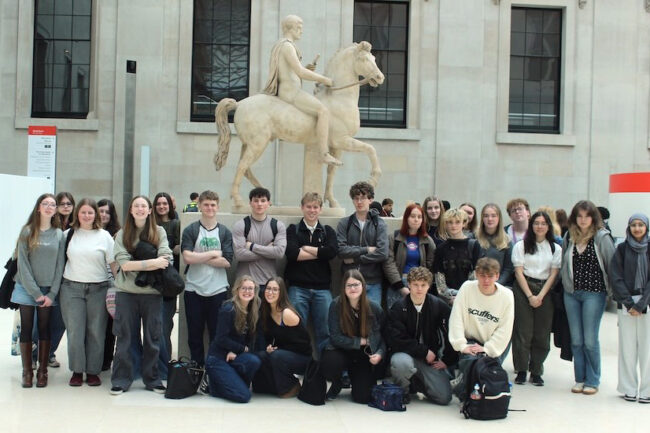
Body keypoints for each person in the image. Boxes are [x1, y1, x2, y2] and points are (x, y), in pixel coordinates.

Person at [110, 196, 172, 395]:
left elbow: (166, 258)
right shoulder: (122, 233)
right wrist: (151, 263)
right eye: (136, 205)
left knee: (153, 338)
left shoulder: (159, 231)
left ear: (150, 210)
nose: (139, 209)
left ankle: (152, 379)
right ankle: (121, 379)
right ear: (130, 210)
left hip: (152, 294)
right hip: (126, 293)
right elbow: (124, 264)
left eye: (143, 206)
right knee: (125, 338)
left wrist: (137, 264)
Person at [262, 14, 338, 166]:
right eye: (299, 28)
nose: (301, 31)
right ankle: (324, 153)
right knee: (323, 111)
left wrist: (308, 69)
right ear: (290, 28)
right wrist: (324, 79)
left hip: (290, 89)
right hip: (291, 92)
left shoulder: (283, 45)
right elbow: (299, 72)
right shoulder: (287, 46)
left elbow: (296, 70)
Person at [558, 200, 615, 395]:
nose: (583, 220)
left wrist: (614, 294)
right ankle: (580, 378)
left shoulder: (602, 237)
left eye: (587, 216)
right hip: (572, 294)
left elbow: (611, 265)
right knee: (576, 340)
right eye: (579, 216)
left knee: (590, 339)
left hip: (594, 294)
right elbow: (564, 263)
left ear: (593, 217)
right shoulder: (569, 236)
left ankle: (593, 379)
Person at [60, 198, 116, 387]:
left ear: (96, 215)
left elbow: (113, 263)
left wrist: (119, 286)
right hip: (71, 289)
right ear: (77, 214)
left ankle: (93, 371)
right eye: (83, 212)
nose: (86, 216)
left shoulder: (105, 236)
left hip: (98, 289)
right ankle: (77, 370)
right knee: (75, 332)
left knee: (96, 331)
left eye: (90, 212)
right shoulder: (68, 234)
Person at [12, 194, 65, 388]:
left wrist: (51, 294)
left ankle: (43, 372)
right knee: (27, 328)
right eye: (46, 204)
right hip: (26, 288)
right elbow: (23, 266)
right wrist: (35, 293)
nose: (50, 207)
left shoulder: (59, 234)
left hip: (49, 289)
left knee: (44, 328)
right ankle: (27, 372)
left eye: (53, 204)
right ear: (38, 208)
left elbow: (60, 267)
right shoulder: (27, 231)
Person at [387, 267, 457, 405]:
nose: (419, 289)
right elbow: (395, 339)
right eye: (415, 285)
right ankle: (404, 390)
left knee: (444, 398)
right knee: (401, 363)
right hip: (406, 355)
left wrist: (447, 360)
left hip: (429, 360)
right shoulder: (399, 307)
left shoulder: (438, 306)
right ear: (409, 285)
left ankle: (417, 382)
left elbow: (452, 333)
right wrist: (424, 351)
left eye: (423, 285)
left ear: (429, 286)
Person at [448, 258, 514, 401]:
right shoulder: (466, 288)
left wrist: (488, 349)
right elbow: (456, 318)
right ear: (476, 275)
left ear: (497, 276)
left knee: (488, 369)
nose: (486, 281)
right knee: (471, 362)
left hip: (494, 342)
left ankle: (466, 384)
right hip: (471, 339)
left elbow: (505, 328)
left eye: (490, 276)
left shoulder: (507, 295)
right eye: (482, 276)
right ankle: (466, 391)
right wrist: (461, 345)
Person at [181, 190, 233, 366]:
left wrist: (199, 256)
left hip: (218, 289)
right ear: (200, 206)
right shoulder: (191, 230)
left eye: (213, 205)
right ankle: (197, 371)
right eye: (206, 205)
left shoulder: (224, 231)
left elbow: (227, 261)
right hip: (193, 289)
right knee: (194, 335)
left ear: (217, 207)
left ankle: (213, 371)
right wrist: (213, 253)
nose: (209, 208)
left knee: (216, 335)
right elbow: (187, 257)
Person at [511, 211, 561, 386]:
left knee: (542, 333)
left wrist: (540, 295)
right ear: (531, 226)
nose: (540, 226)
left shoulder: (556, 248)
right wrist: (530, 295)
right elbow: (518, 272)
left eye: (543, 223)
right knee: (523, 332)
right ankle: (522, 369)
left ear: (548, 226)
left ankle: (537, 370)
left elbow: (554, 274)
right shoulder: (521, 246)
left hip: (545, 291)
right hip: (524, 288)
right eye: (536, 223)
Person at [321, 270, 386, 403]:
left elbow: (384, 336)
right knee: (329, 363)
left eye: (356, 284)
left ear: (363, 285)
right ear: (343, 287)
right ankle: (337, 382)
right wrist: (361, 341)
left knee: (363, 398)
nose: (353, 288)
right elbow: (335, 337)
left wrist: (379, 353)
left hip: (362, 356)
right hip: (340, 350)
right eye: (349, 285)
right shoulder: (336, 305)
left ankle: (356, 380)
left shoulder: (374, 308)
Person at [284, 192, 338, 353]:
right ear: (302, 208)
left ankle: (326, 368)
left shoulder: (327, 231)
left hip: (322, 289)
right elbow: (292, 254)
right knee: (296, 330)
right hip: (297, 288)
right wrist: (319, 252)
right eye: (308, 206)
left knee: (326, 331)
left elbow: (332, 252)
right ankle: (298, 366)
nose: (312, 210)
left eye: (315, 207)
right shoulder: (293, 230)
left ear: (320, 209)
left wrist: (307, 248)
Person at [610, 213, 650, 403]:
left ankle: (647, 390)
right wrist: (629, 303)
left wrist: (641, 305)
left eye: (640, 225)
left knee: (647, 349)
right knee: (627, 348)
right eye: (633, 225)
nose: (637, 228)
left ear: (646, 227)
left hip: (647, 303)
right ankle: (629, 388)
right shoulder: (621, 249)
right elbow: (615, 277)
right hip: (626, 303)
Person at [204, 276, 262, 403]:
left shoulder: (253, 310)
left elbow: (249, 339)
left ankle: (230, 382)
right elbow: (220, 338)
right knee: (244, 396)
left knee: (254, 361)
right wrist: (241, 349)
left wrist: (235, 352)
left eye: (250, 288)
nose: (247, 291)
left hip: (233, 356)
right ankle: (214, 387)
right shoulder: (228, 309)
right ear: (236, 290)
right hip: (217, 359)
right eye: (244, 288)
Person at [253, 277, 311, 398]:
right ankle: (273, 387)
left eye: (275, 289)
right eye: (268, 288)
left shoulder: (287, 313)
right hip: (283, 355)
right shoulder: (266, 312)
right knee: (261, 356)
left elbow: (304, 343)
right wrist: (270, 347)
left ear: (281, 293)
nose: (270, 292)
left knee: (277, 356)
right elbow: (272, 338)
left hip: (302, 358)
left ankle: (292, 386)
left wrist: (279, 350)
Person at [336, 181, 388, 306]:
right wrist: (367, 249)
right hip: (349, 281)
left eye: (363, 198)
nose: (359, 202)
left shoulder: (379, 223)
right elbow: (340, 251)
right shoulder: (345, 223)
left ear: (370, 200)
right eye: (356, 198)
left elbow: (382, 253)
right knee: (349, 320)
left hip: (372, 282)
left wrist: (354, 259)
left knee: (372, 320)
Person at [383, 203, 435, 309]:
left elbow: (430, 263)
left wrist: (422, 284)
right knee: (395, 317)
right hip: (397, 283)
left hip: (419, 285)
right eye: (412, 216)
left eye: (419, 217)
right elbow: (388, 263)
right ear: (406, 218)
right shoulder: (394, 237)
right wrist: (400, 286)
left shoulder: (427, 240)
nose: (416, 220)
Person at [233, 187, 287, 288]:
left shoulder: (277, 225)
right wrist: (269, 250)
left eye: (263, 200)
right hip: (245, 284)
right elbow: (239, 255)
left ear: (268, 203)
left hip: (268, 283)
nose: (259, 204)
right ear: (250, 203)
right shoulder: (241, 225)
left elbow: (279, 253)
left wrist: (252, 246)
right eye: (256, 201)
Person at [47, 191, 75, 368]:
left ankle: (49, 352)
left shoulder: (77, 226)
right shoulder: (49, 225)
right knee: (40, 320)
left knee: (60, 320)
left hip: (67, 280)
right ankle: (35, 354)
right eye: (62, 203)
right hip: (47, 279)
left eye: (69, 203)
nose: (65, 206)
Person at [433, 208, 482, 305]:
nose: (453, 225)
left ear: (464, 223)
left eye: (457, 222)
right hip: (447, 300)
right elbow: (439, 278)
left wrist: (463, 296)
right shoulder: (441, 248)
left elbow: (476, 274)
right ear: (445, 224)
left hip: (469, 297)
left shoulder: (474, 245)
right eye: (450, 222)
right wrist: (449, 297)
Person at [153, 192, 181, 359]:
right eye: (159, 203)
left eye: (165, 203)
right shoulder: (149, 225)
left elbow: (179, 249)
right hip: (150, 280)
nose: (162, 206)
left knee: (165, 324)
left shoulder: (176, 224)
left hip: (168, 281)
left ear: (170, 206)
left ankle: (164, 361)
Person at [97, 198, 121, 371]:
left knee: (109, 326)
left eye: (107, 212)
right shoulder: (88, 231)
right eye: (101, 210)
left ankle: (106, 360)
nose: (104, 214)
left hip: (112, 286)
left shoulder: (118, 234)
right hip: (94, 283)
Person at [476, 203, 514, 287]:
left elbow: (508, 268)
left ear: (499, 218)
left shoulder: (506, 240)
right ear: (482, 218)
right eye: (486, 216)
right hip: (478, 284)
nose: (490, 219)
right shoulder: (474, 238)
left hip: (499, 285)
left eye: (493, 216)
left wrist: (497, 284)